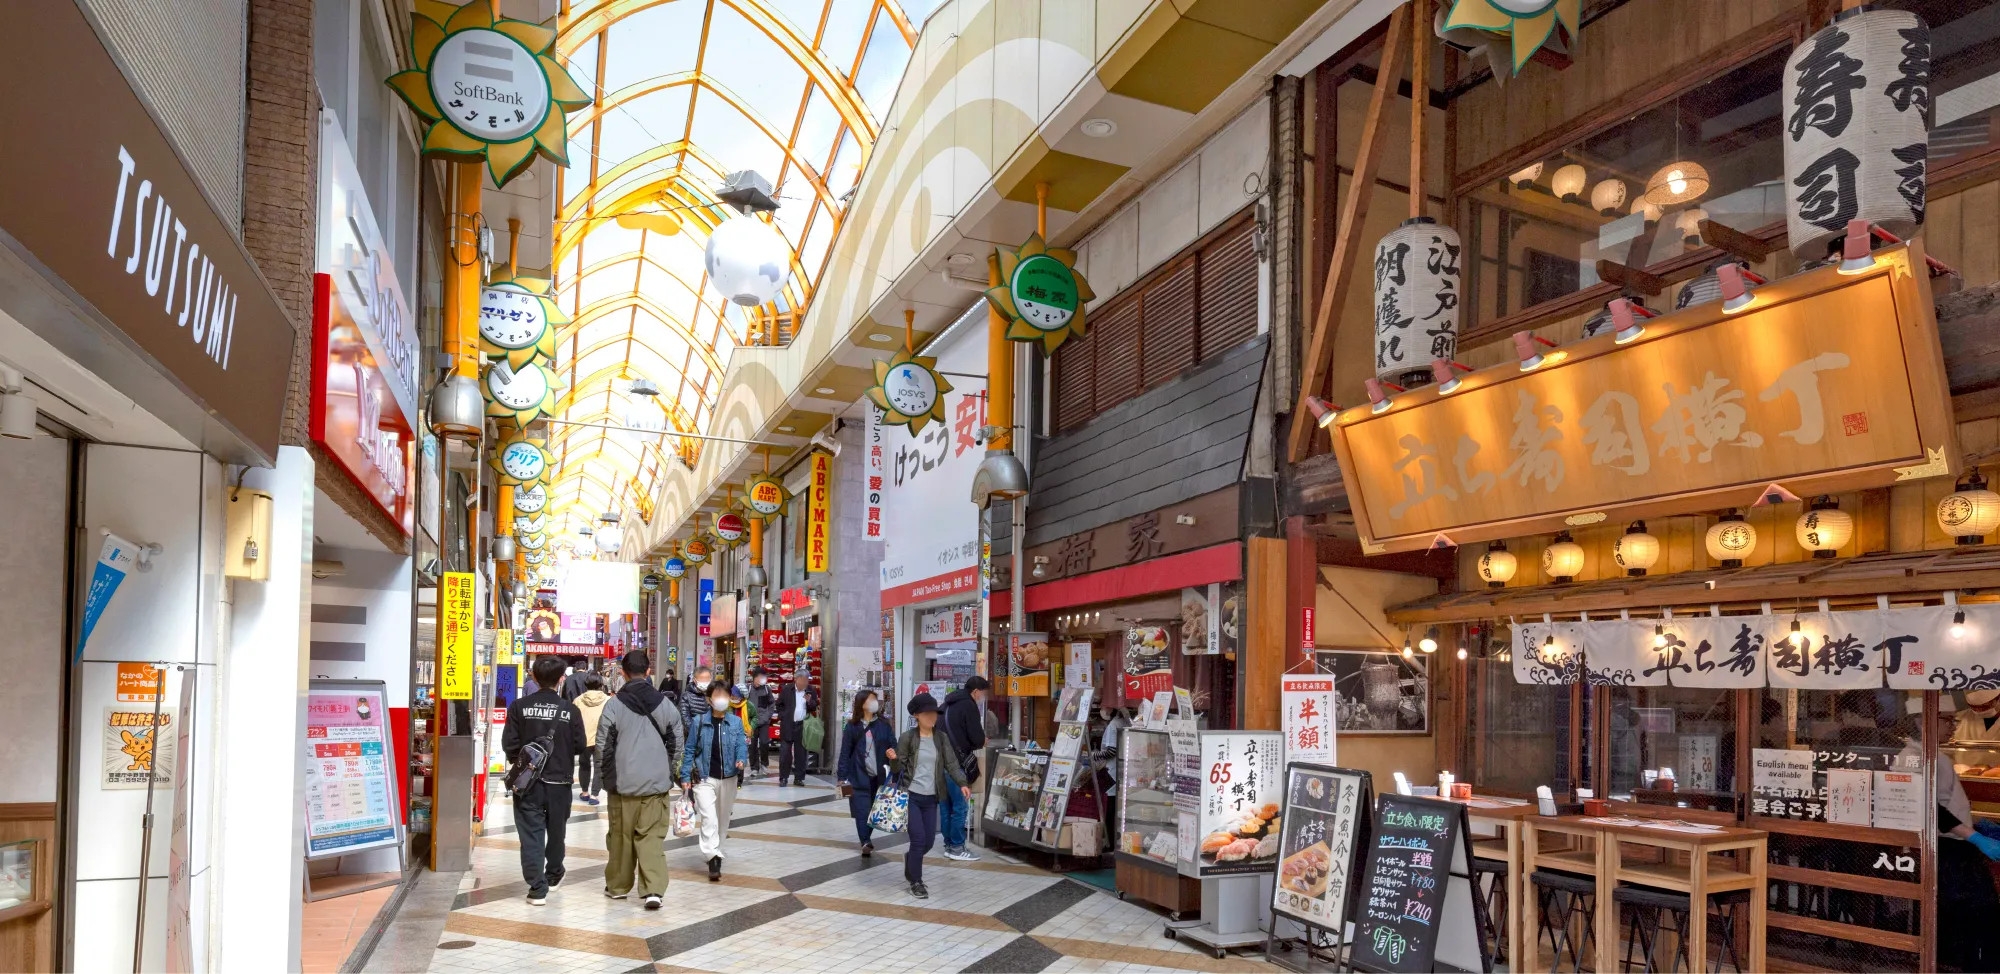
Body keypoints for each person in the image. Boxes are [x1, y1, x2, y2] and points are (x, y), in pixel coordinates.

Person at [596, 649, 683, 910]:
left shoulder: (613, 705)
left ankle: (618, 887)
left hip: (623, 784)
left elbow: (603, 745)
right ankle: (653, 890)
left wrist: (606, 776)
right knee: (651, 837)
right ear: (648, 672)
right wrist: (669, 770)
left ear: (622, 673)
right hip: (656, 784)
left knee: (621, 836)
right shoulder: (666, 705)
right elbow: (676, 743)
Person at [501, 656, 587, 905]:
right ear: (561, 679)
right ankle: (554, 874)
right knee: (557, 831)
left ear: (534, 677)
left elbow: (510, 744)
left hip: (527, 784)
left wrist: (523, 763)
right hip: (560, 783)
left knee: (531, 834)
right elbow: (580, 745)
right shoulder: (570, 710)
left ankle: (537, 888)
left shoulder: (519, 706)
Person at [895, 693, 970, 900]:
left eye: (934, 714)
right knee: (918, 840)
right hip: (911, 795)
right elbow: (898, 768)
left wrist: (962, 783)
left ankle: (911, 859)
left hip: (932, 798)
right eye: (927, 714)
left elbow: (952, 764)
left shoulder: (941, 737)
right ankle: (916, 882)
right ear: (917, 715)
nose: (932, 718)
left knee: (928, 842)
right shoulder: (907, 738)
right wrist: (893, 759)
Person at [680, 680, 748, 881]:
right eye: (717, 695)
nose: (722, 699)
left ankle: (717, 849)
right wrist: (685, 775)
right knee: (709, 817)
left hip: (729, 777)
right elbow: (690, 749)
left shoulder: (735, 722)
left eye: (725, 695)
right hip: (704, 777)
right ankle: (712, 857)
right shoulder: (699, 721)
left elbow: (741, 745)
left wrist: (741, 759)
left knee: (723, 817)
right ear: (709, 700)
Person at [836, 688, 897, 856]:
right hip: (858, 775)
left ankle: (866, 839)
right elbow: (845, 752)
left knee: (874, 810)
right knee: (861, 809)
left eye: (875, 699)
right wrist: (842, 777)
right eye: (871, 699)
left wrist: (893, 753)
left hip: (879, 776)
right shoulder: (852, 726)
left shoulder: (884, 725)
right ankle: (865, 841)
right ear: (862, 704)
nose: (875, 703)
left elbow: (894, 744)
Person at [938, 676, 989, 861]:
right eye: (982, 693)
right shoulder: (968, 706)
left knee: (946, 808)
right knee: (960, 807)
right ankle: (958, 848)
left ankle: (949, 845)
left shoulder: (946, 704)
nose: (982, 697)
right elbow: (976, 738)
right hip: (956, 766)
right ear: (976, 691)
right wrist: (982, 741)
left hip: (940, 764)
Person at [778, 669, 820, 786]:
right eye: (802, 681)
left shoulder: (810, 690)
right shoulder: (787, 689)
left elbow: (814, 707)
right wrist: (783, 716)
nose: (804, 683)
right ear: (796, 679)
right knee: (785, 753)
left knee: (801, 754)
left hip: (802, 726)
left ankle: (799, 778)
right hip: (788, 725)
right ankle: (783, 778)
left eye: (806, 681)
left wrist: (809, 701)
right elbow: (779, 704)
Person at [574, 675, 609, 805]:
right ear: (600, 684)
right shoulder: (608, 700)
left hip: (583, 738)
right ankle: (594, 795)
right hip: (602, 738)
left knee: (584, 765)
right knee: (599, 766)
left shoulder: (578, 700)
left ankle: (584, 792)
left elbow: (574, 720)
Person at [748, 668, 778, 775]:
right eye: (760, 677)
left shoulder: (766, 689)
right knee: (752, 745)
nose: (762, 679)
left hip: (764, 721)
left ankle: (764, 764)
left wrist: (768, 715)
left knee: (765, 743)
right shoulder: (748, 689)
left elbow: (771, 703)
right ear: (755, 678)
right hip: (751, 722)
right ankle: (754, 767)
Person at [680, 666, 715, 733]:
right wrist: (696, 732)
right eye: (702, 680)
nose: (705, 682)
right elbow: (685, 718)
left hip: (712, 733)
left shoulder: (714, 694)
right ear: (694, 680)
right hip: (695, 735)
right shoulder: (686, 696)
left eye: (707, 679)